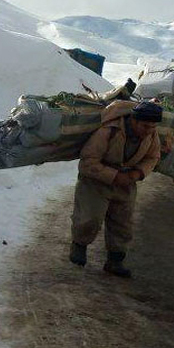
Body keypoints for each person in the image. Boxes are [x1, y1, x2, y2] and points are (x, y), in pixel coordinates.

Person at [69, 101, 162, 278]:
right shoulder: (109, 131)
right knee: (90, 217)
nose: (148, 130)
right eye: (145, 126)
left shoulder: (151, 135)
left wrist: (138, 173)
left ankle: (115, 260)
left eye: (152, 126)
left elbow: (153, 157)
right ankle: (79, 245)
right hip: (96, 181)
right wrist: (113, 176)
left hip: (127, 181)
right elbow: (87, 162)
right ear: (134, 121)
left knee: (123, 223)